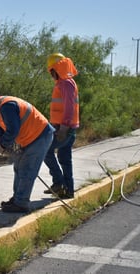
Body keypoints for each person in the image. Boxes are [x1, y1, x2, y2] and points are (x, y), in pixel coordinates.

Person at [0, 92, 54, 213]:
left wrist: (2, 144)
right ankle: (17, 198)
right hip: (28, 138)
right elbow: (2, 132)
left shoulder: (7, 107)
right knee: (18, 168)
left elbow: (13, 130)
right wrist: (4, 144)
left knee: (27, 170)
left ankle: (21, 203)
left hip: (40, 136)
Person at [43, 53, 79, 199]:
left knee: (46, 150)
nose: (51, 74)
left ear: (56, 69)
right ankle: (68, 190)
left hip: (65, 128)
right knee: (64, 157)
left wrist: (63, 128)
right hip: (64, 127)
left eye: (52, 71)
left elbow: (69, 107)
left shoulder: (65, 83)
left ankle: (59, 184)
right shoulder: (65, 83)